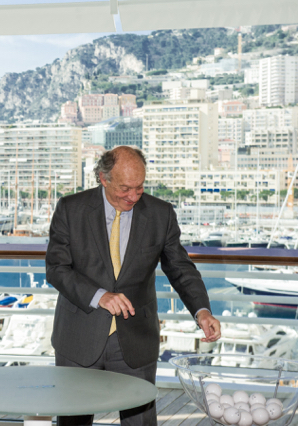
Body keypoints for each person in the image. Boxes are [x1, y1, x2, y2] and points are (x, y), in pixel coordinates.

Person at [46, 146, 221, 426]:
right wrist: (99, 296)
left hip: (136, 340)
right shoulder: (71, 209)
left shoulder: (161, 213)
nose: (133, 196)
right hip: (77, 339)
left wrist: (202, 310)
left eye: (139, 188)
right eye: (125, 188)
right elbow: (56, 269)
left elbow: (180, 268)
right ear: (103, 179)